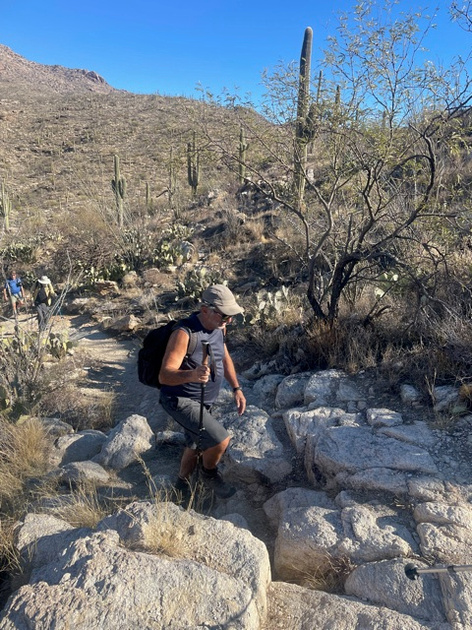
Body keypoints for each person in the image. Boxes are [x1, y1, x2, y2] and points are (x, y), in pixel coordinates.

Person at [159, 284, 246, 500]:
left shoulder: (219, 328)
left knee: (196, 443)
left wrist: (236, 388)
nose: (228, 321)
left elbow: (223, 357)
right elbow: (165, 375)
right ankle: (209, 474)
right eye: (225, 316)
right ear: (205, 310)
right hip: (179, 400)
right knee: (219, 440)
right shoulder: (184, 333)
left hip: (203, 401)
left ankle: (181, 485)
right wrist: (191, 375)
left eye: (230, 316)